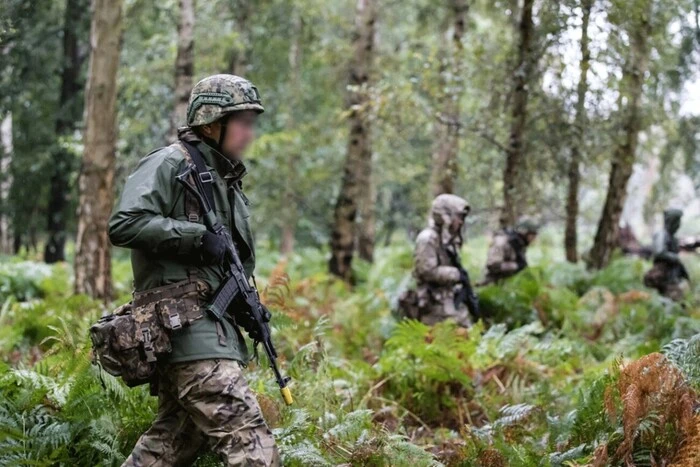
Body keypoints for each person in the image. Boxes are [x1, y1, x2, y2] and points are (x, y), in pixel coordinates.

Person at [108, 74, 279, 466]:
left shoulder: (225, 179)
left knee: (172, 444)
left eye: (252, 124)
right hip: (184, 329)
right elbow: (124, 222)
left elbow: (225, 264)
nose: (249, 134)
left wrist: (245, 309)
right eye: (242, 123)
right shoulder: (170, 162)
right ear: (211, 120)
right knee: (251, 445)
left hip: (207, 330)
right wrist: (196, 237)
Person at [398, 194, 474, 327]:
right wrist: (455, 274)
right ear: (446, 216)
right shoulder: (428, 238)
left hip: (448, 300)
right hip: (432, 303)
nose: (461, 222)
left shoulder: (448, 239)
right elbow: (426, 270)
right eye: (459, 216)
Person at [643, 208, 690, 301]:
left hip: (673, 277)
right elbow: (659, 252)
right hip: (664, 276)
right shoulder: (661, 234)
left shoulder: (672, 238)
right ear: (671, 221)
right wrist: (675, 258)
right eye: (677, 221)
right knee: (668, 302)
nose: (679, 225)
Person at [479, 218, 538, 286]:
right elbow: (493, 265)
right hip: (492, 283)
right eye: (533, 235)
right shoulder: (501, 241)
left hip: (509, 284)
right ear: (524, 233)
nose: (534, 238)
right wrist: (516, 266)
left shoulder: (519, 244)